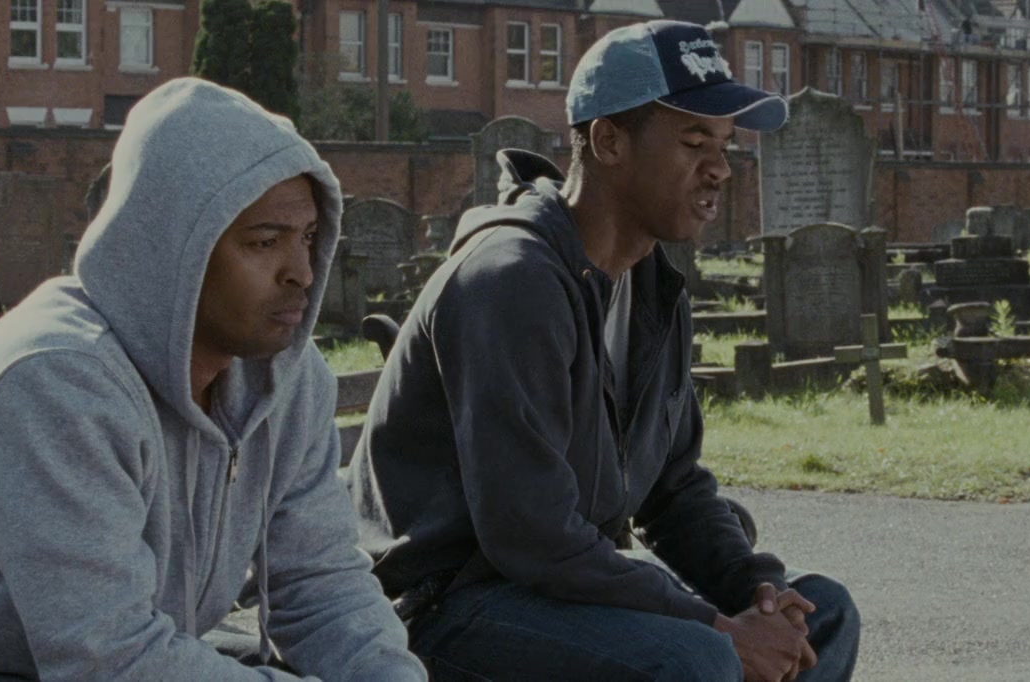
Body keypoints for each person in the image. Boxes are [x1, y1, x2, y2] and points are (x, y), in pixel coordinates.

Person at [0, 78, 426, 682]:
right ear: (173, 250)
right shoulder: (55, 380)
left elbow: (320, 585)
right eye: (264, 242)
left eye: (309, 238)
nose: (303, 272)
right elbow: (109, 663)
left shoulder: (289, 381)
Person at [349, 20, 860, 681]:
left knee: (824, 614)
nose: (720, 168)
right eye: (695, 141)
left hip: (558, 589)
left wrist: (758, 593)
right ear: (609, 140)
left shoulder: (653, 289)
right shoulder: (511, 281)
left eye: (726, 144)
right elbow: (530, 535)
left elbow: (675, 491)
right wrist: (716, 628)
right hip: (448, 605)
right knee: (696, 659)